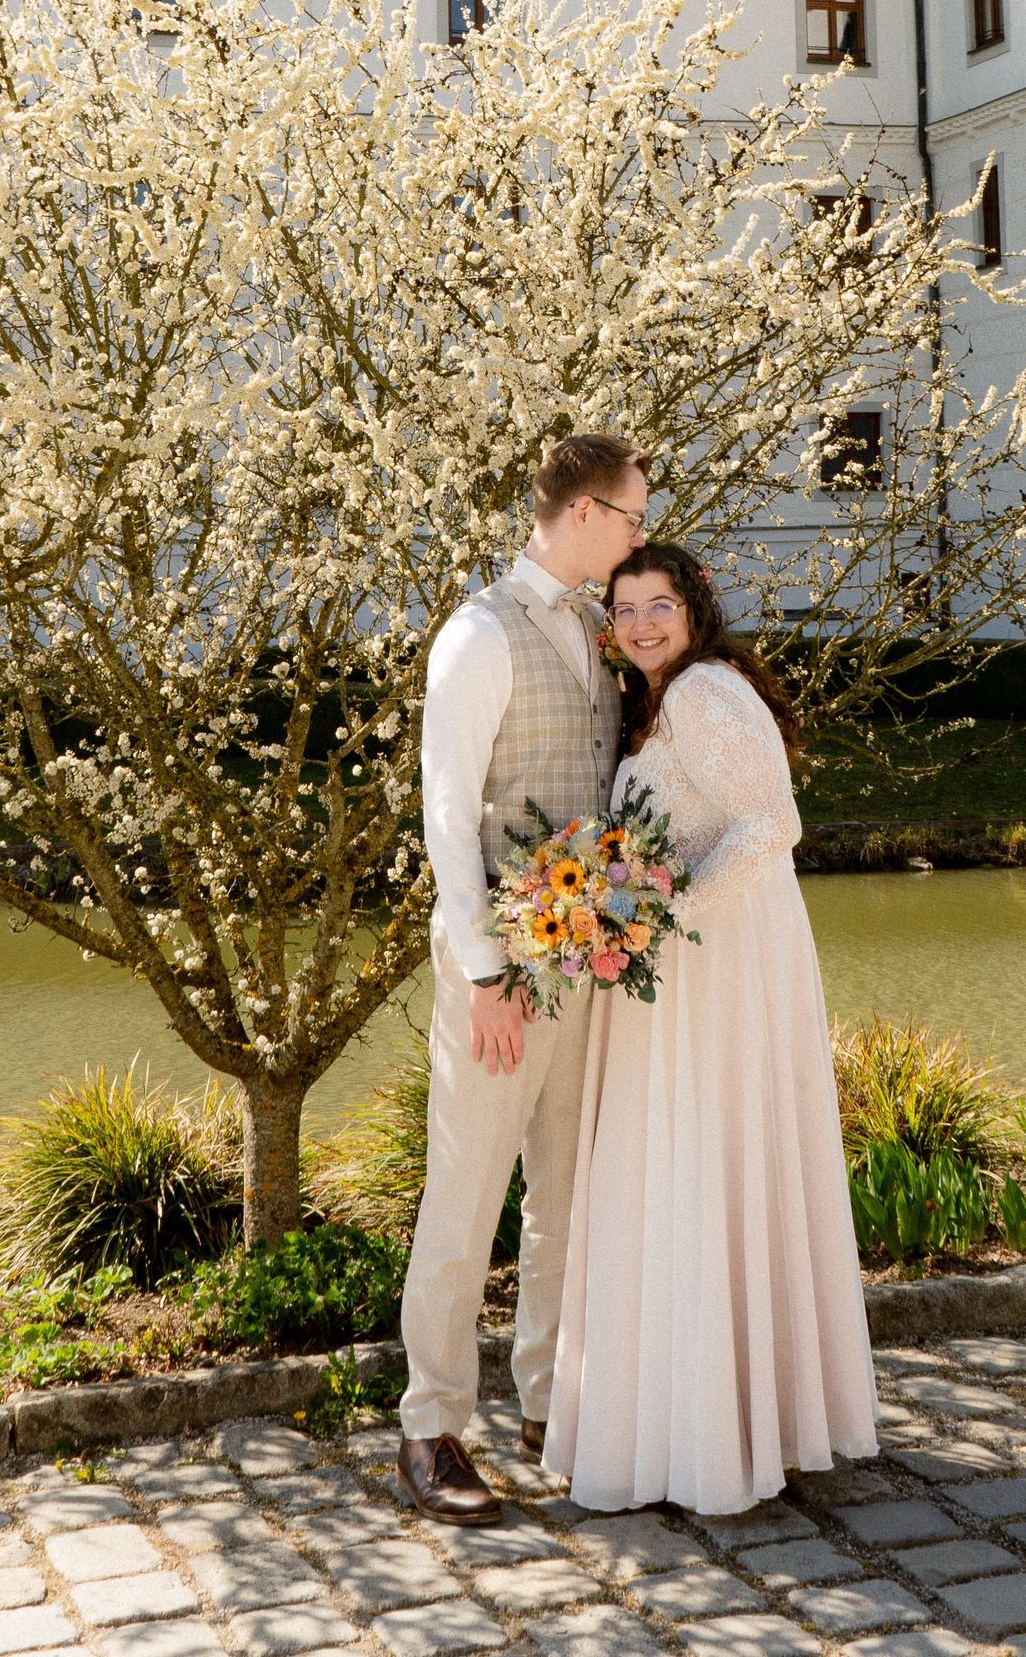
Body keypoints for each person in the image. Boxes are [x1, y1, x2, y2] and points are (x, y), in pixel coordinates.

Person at [545, 540, 878, 1515]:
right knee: (676, 1178)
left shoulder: (702, 694)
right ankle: (689, 1423)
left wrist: (657, 915)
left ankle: (711, 1436)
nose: (643, 623)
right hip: (675, 977)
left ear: (694, 610)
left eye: (660, 604)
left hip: (713, 974)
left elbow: (771, 827)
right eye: (627, 608)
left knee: (694, 1173)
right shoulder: (661, 703)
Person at [395, 431, 649, 1525]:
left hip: (588, 964)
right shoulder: (477, 636)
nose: (644, 533)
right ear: (586, 514)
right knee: (466, 1193)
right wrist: (490, 974)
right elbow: (447, 821)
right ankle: (430, 1427)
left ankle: (547, 1405)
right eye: (634, 515)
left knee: (565, 1198)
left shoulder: (601, 631)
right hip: (502, 972)